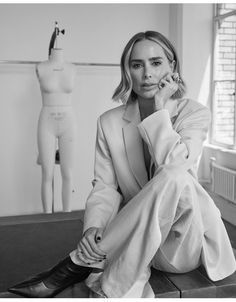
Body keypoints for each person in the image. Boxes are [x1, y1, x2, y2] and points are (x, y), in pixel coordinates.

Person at [8, 30, 236, 298]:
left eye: (156, 63)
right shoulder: (109, 122)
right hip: (137, 241)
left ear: (172, 67)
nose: (147, 74)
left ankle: (78, 263)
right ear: (127, 71)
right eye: (137, 65)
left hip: (183, 243)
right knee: (172, 178)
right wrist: (94, 226)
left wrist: (160, 110)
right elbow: (105, 187)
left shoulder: (194, 113)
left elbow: (174, 164)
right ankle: (98, 267)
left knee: (177, 177)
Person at [36, 23, 77, 213]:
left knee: (67, 172)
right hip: (47, 121)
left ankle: (67, 216)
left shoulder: (72, 68)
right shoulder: (41, 67)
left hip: (68, 121)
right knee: (47, 173)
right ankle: (46, 217)